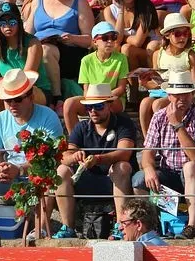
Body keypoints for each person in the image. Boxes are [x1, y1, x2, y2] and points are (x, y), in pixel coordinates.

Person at [0, 69, 63, 227]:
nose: (12, 105)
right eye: (7, 100)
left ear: (30, 97)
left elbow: (50, 160)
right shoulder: (0, 118)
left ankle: (41, 231)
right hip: (11, 174)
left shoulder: (48, 116)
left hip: (35, 176)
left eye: (17, 99)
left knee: (46, 177)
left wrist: (19, 169)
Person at [135, 70, 195, 239]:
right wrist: (149, 168)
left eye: (186, 94)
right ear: (169, 95)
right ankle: (151, 225)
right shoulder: (158, 117)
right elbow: (147, 153)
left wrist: (177, 125)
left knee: (190, 166)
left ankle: (192, 226)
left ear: (192, 94)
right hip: (171, 175)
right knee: (139, 179)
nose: (182, 99)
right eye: (178, 95)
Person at [53, 84, 137, 240]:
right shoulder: (81, 126)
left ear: (109, 105)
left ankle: (120, 225)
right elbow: (65, 156)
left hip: (114, 178)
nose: (93, 111)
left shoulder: (124, 123)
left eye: (98, 106)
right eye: (89, 107)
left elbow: (124, 153)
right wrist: (74, 156)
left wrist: (98, 159)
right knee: (62, 170)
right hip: (87, 178)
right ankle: (68, 227)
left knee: (121, 167)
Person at [23, 0, 95, 106]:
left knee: (46, 50)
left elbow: (91, 40)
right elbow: (27, 33)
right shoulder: (38, 1)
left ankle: (57, 98)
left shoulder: (79, 1)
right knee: (37, 49)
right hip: (40, 48)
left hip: (70, 52)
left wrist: (72, 38)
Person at [0, 2, 52, 116]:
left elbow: (26, 79)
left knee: (12, 93)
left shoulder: (32, 43)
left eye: (12, 22)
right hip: (7, 89)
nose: (7, 27)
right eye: (2, 23)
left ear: (19, 23)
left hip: (33, 89)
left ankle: (12, 128)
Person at [138, 13, 195, 138]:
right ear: (167, 35)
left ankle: (165, 137)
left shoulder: (190, 55)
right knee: (144, 104)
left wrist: (183, 90)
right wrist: (145, 83)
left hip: (182, 93)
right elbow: (158, 83)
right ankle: (149, 141)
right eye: (178, 34)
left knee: (157, 105)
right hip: (163, 92)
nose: (183, 37)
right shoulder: (158, 54)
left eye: (186, 33)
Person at [62, 22, 129, 134]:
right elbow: (86, 89)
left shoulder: (121, 58)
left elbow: (121, 88)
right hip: (91, 99)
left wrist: (103, 99)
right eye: (105, 38)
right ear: (95, 42)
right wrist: (94, 101)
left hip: (112, 98)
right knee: (69, 104)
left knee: (109, 103)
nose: (110, 41)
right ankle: (75, 141)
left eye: (113, 37)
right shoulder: (86, 60)